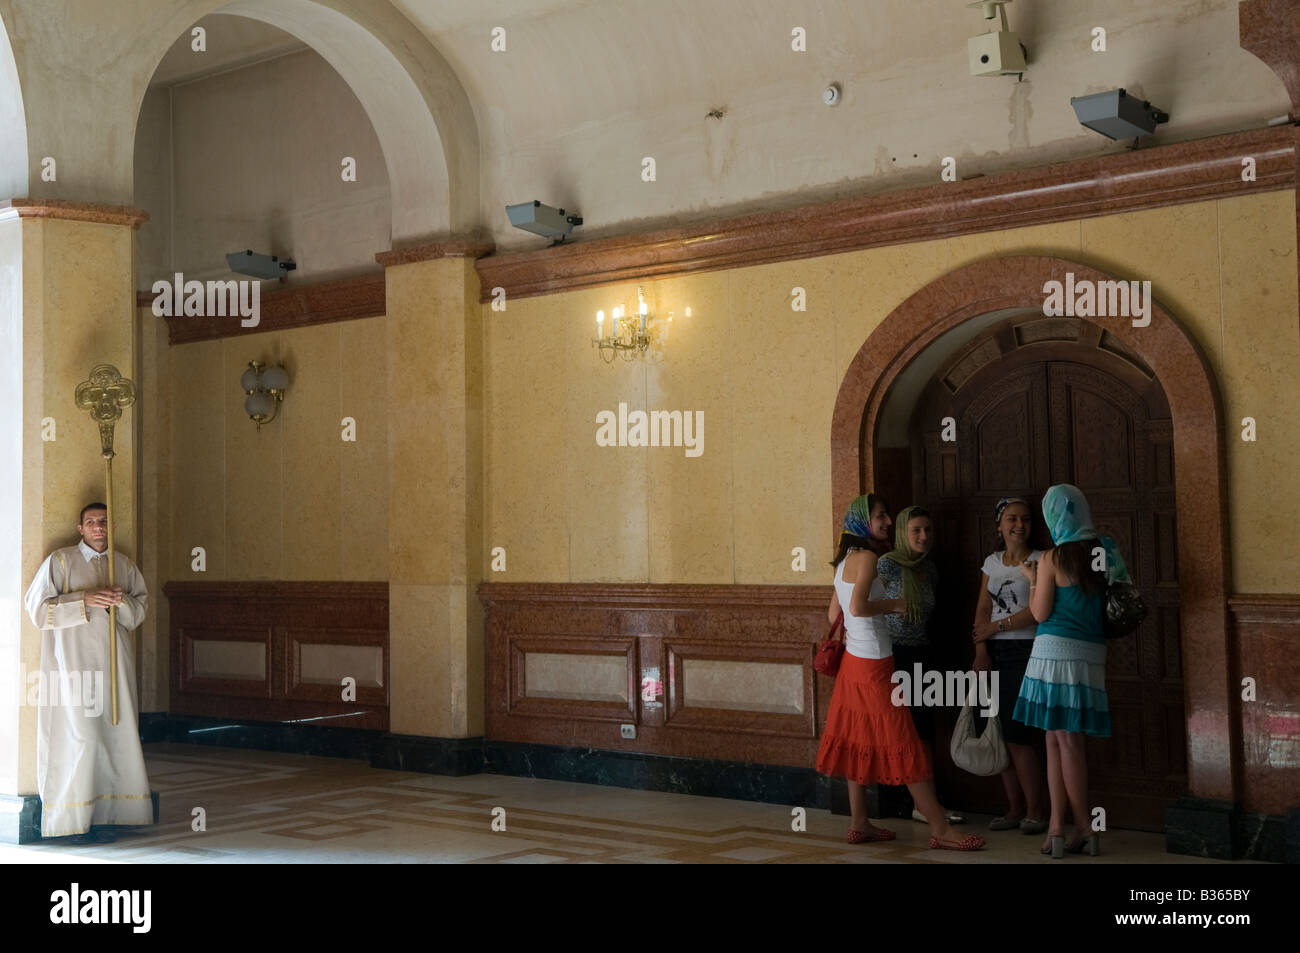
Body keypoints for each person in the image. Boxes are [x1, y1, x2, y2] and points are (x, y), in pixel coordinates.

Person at [817, 495, 984, 851]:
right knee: (905, 742)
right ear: (864, 521)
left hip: (853, 665)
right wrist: (893, 604)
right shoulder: (868, 559)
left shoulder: (844, 560)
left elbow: (836, 615)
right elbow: (860, 607)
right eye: (880, 516)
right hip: (875, 665)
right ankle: (940, 827)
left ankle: (859, 821)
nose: (888, 521)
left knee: (857, 738)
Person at [23, 502, 153, 842]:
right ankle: (73, 820)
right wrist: (84, 599)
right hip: (73, 665)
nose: (98, 527)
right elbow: (37, 610)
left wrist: (119, 601)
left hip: (114, 665)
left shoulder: (123, 565)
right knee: (81, 737)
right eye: (91, 522)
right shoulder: (61, 561)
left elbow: (138, 614)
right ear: (80, 528)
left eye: (104, 522)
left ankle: (112, 815)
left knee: (116, 736)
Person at [1013, 484, 1125, 858]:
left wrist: (1032, 580)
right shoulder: (1104, 551)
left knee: (1057, 741)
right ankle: (1066, 827)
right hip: (1091, 655)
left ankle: (1074, 826)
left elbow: (1041, 613)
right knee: (1069, 740)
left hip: (1051, 655)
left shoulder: (1052, 558)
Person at [876, 505, 962, 825]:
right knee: (903, 730)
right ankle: (909, 801)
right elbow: (862, 605)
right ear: (902, 533)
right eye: (916, 530)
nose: (924, 536)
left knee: (924, 730)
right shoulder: (887, 566)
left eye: (927, 530)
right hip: (894, 656)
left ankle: (927, 803)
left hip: (922, 654)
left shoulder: (930, 569)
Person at [971, 497, 1047, 835]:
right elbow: (982, 609)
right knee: (998, 732)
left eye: (1026, 519)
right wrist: (980, 649)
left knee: (1020, 735)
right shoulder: (991, 562)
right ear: (999, 525)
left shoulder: (1042, 560)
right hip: (994, 654)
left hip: (1026, 650)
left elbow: (1036, 610)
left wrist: (997, 629)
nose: (1019, 525)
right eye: (1012, 519)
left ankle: (1036, 811)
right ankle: (1013, 808)